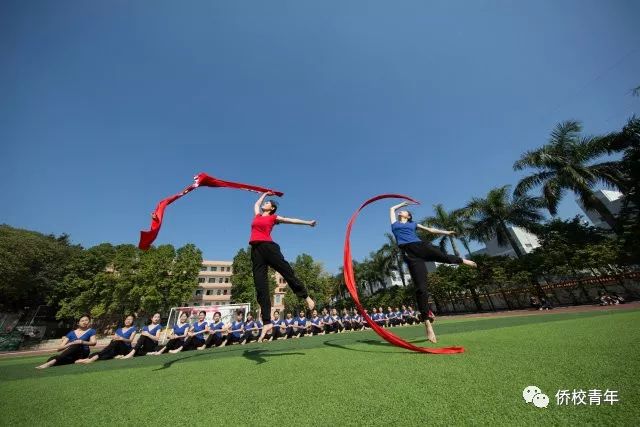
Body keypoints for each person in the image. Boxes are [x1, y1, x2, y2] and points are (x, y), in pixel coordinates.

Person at [390, 201, 478, 343]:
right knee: (421, 289)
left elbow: (431, 230)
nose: (402, 211)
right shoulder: (394, 224)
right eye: (402, 210)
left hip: (421, 246)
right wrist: (401, 204)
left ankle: (462, 261)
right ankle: (427, 324)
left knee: (442, 256)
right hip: (410, 255)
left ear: (408, 216)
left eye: (405, 211)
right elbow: (392, 208)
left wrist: (446, 232)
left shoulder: (413, 224)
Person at [249, 192, 317, 341]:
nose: (264, 204)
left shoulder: (274, 218)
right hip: (256, 251)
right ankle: (267, 321)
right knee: (260, 285)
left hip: (269, 247)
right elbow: (256, 205)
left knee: (287, 272)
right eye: (265, 202)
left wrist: (308, 223)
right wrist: (264, 194)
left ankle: (305, 296)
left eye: (267, 203)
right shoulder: (258, 216)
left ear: (272, 208)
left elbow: (291, 220)